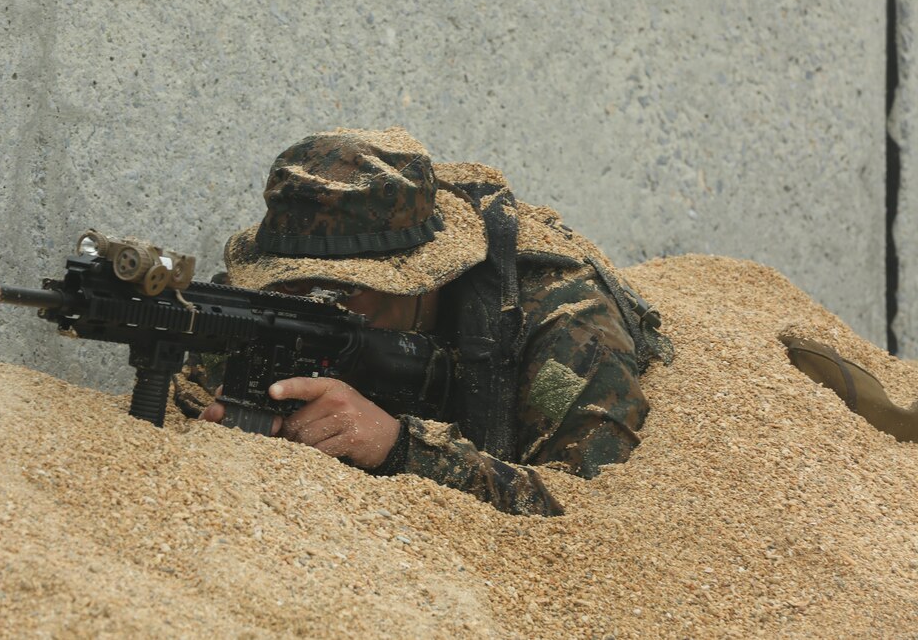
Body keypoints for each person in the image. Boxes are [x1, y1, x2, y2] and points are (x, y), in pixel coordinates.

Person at [177, 127, 672, 516]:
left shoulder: (565, 326)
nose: (311, 305)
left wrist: (399, 449)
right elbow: (199, 383)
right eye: (291, 285)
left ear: (427, 277)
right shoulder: (272, 302)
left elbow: (594, 506)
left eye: (340, 290)